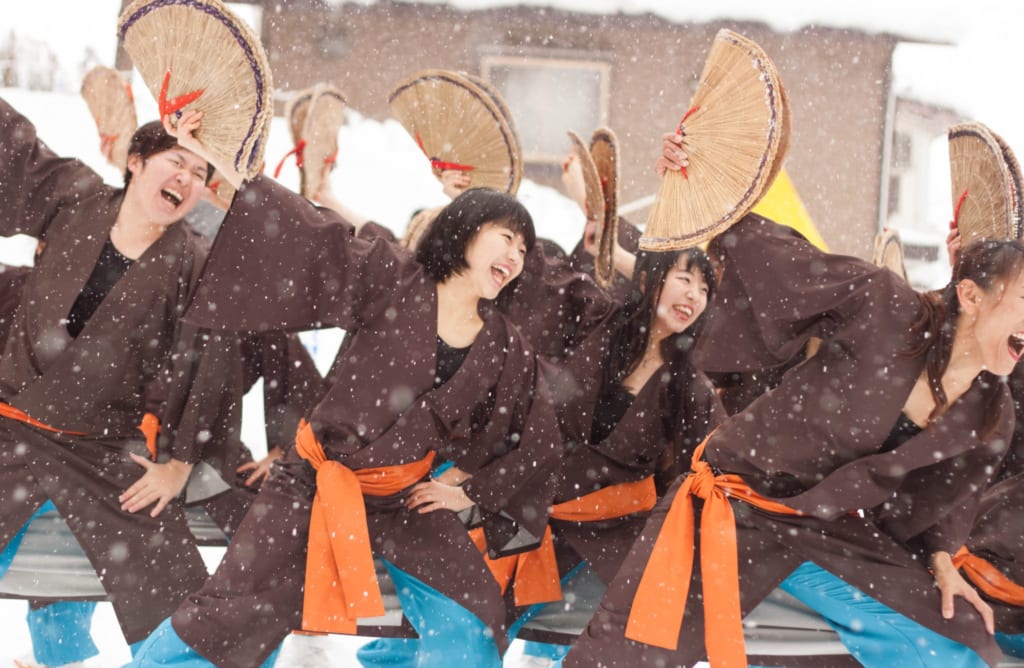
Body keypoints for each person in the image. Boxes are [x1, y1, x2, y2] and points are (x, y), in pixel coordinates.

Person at [561, 137, 1023, 667]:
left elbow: (942, 499)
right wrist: (700, 178)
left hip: (826, 528)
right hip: (738, 499)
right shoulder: (888, 308)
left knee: (954, 642)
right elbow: (768, 255)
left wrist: (941, 559)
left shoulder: (991, 411)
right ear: (970, 295)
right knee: (627, 655)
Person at [127, 110, 564, 668]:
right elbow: (307, 230)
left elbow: (537, 440)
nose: (515, 256)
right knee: (230, 613)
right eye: (506, 238)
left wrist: (468, 491)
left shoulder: (505, 344)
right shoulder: (392, 277)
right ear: (466, 231)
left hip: (405, 500)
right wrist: (225, 163)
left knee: (473, 619)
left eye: (523, 250)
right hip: (311, 484)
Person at [0, 98, 225, 656]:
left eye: (200, 172)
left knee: (179, 598)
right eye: (176, 160)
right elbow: (16, 151)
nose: (186, 178)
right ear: (136, 161)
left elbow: (206, 366)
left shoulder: (194, 264)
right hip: (9, 427)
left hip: (101, 450)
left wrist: (178, 466)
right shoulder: (75, 198)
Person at [516, 246, 724, 668]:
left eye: (704, 289)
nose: (694, 295)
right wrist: (604, 242)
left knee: (631, 634)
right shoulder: (597, 321)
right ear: (649, 280)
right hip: (533, 506)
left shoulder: (690, 386)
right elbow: (540, 276)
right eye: (684, 279)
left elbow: (713, 463)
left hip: (616, 528)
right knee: (473, 615)